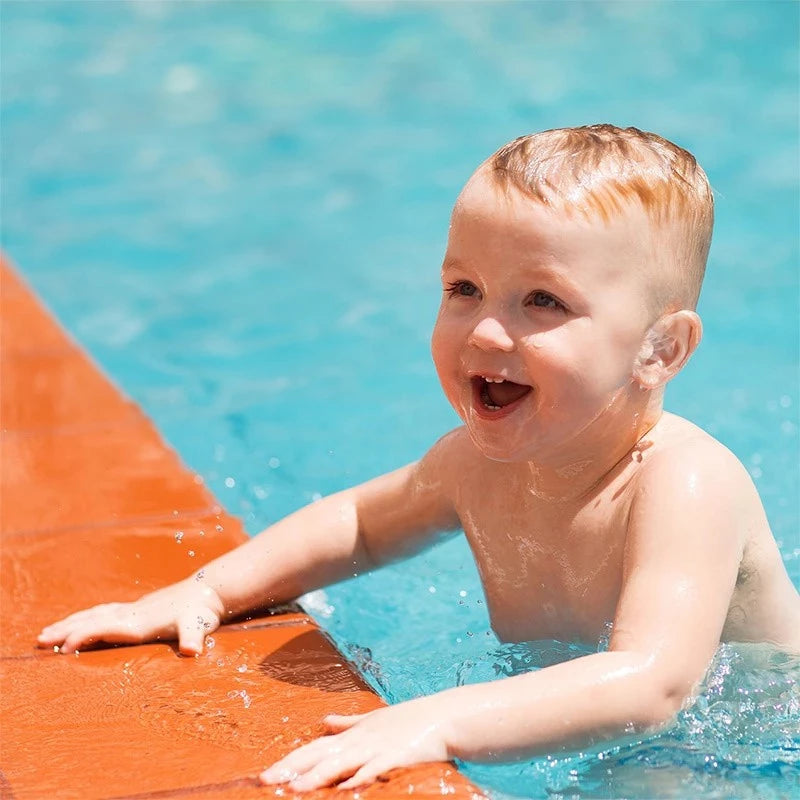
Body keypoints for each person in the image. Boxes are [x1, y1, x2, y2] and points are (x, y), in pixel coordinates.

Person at [38, 125, 800, 792]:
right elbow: (362, 526)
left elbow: (654, 685)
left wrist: (437, 722)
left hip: (742, 743)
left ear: (660, 349)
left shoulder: (685, 481)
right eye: (464, 287)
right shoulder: (475, 463)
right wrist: (204, 592)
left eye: (544, 302)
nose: (487, 333)